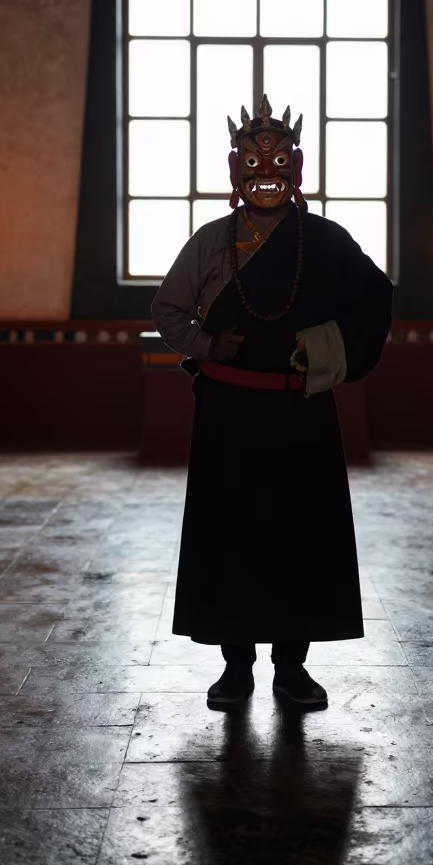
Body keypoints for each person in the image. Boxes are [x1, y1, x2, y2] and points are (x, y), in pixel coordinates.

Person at [152, 96, 392, 706]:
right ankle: (236, 669)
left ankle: (292, 667)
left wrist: (329, 348)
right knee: (232, 535)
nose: (269, 170)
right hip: (228, 416)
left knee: (299, 536)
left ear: (301, 168)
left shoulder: (328, 241)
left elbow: (373, 303)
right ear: (233, 170)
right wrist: (208, 343)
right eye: (255, 159)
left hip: (300, 414)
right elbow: (167, 309)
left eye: (281, 159)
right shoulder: (211, 242)